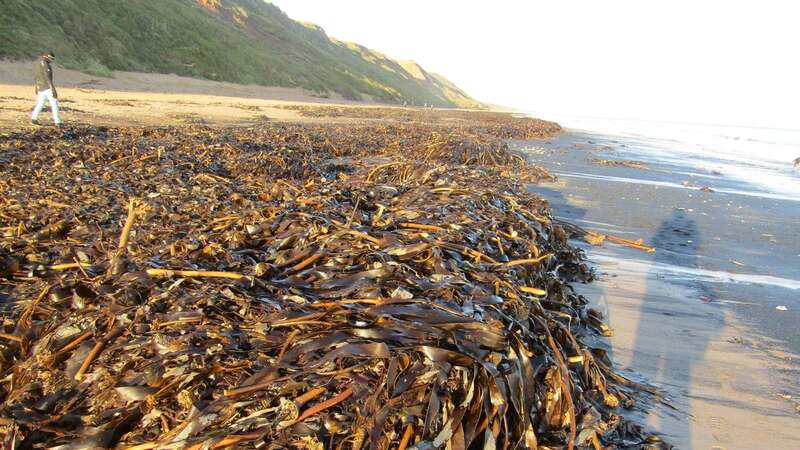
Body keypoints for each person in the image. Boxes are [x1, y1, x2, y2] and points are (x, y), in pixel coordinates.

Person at [31, 51, 61, 127]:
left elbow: (35, 76)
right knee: (54, 103)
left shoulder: (36, 64)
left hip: (40, 87)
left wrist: (36, 87)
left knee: (41, 103)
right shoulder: (46, 65)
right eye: (51, 59)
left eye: (53, 59)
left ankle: (34, 118)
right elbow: (47, 77)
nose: (51, 61)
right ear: (46, 56)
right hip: (47, 87)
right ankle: (57, 122)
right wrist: (53, 89)